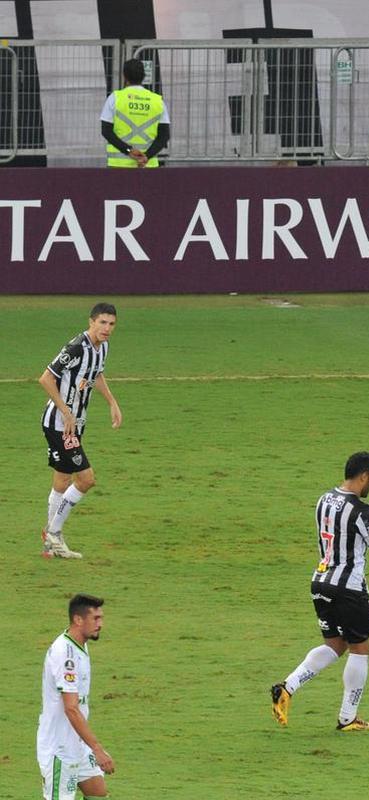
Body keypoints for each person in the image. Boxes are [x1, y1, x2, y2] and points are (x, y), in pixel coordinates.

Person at [271, 452, 369, 732]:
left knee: (335, 645)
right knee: (360, 647)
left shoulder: (324, 500)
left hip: (320, 581)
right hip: (348, 588)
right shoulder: (362, 511)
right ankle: (348, 718)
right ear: (364, 476)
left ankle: (287, 687)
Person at [38, 303, 123, 559]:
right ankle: (53, 533)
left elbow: (96, 375)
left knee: (62, 481)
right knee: (86, 479)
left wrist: (112, 402)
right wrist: (65, 411)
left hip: (75, 424)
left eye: (111, 324)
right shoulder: (76, 347)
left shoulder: (102, 347)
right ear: (91, 322)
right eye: (102, 323)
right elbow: (46, 378)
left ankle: (51, 546)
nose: (107, 328)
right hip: (60, 425)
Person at [38, 593, 114, 800]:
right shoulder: (65, 655)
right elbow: (71, 708)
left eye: (101, 618)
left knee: (98, 793)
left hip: (78, 744)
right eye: (96, 619)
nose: (101, 624)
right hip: (59, 749)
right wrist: (97, 748)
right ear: (78, 620)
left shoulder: (80, 644)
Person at [100, 59, 170, 168]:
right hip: (147, 164)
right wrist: (147, 156)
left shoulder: (115, 98)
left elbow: (106, 131)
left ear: (124, 76)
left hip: (118, 165)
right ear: (143, 76)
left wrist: (128, 150)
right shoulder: (158, 101)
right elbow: (164, 136)